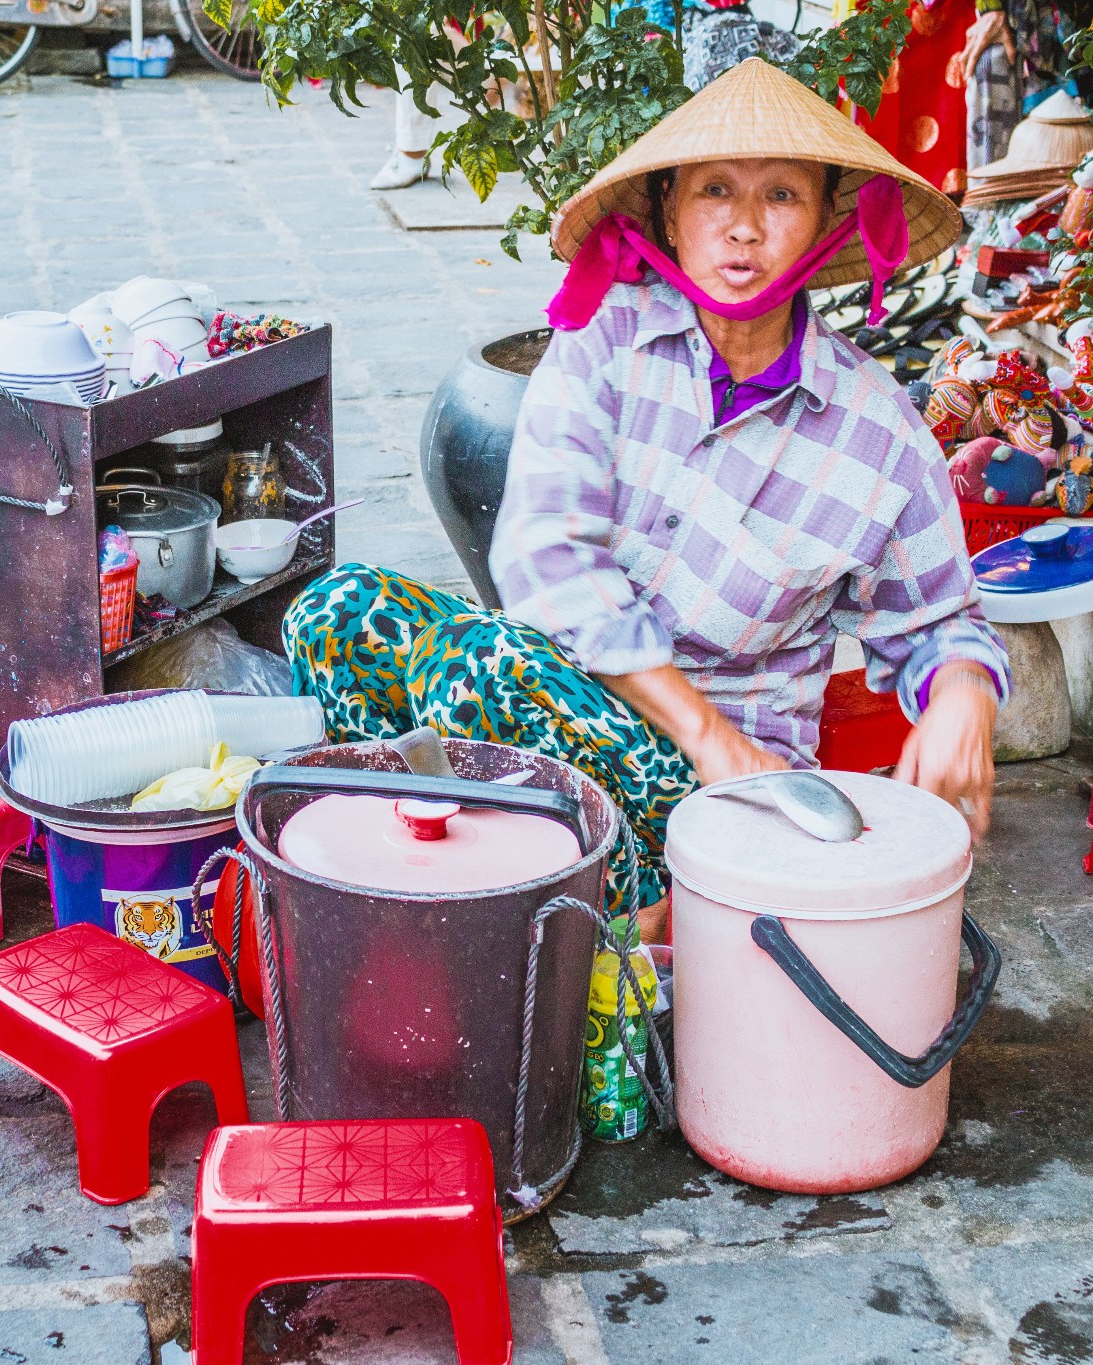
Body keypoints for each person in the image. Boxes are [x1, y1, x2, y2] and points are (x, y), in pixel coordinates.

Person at [288, 59, 1008, 940]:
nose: (743, 227)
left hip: (733, 791)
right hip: (568, 699)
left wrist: (964, 690)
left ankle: (612, 963)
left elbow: (941, 619)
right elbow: (544, 561)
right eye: (715, 190)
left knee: (478, 675)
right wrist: (704, 729)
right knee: (335, 609)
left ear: (828, 219)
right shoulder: (603, 344)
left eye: (782, 195)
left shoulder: (878, 430)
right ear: (670, 210)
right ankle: (407, 898)